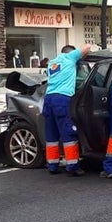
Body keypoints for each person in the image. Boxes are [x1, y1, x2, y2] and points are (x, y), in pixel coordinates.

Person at [43, 43, 95, 176]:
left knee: (51, 134)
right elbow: (87, 47)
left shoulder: (53, 62)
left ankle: (52, 165)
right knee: (68, 133)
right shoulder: (69, 58)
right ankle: (73, 166)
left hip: (48, 99)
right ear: (71, 53)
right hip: (62, 99)